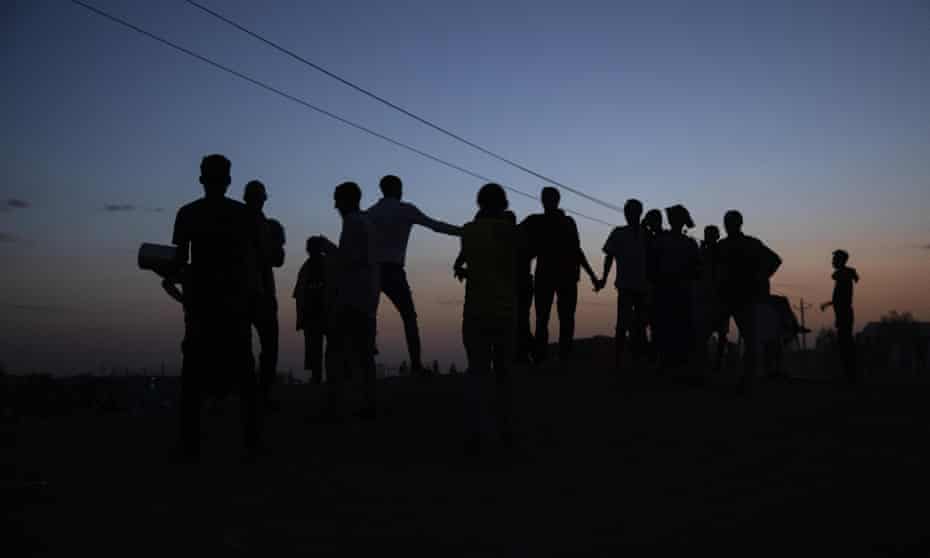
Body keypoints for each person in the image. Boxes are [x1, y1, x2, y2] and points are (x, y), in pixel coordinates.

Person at [172, 154, 260, 459]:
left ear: (201, 179)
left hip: (202, 304)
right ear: (229, 180)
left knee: (193, 373)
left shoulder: (188, 214)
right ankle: (252, 440)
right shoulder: (243, 215)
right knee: (244, 371)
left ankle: (190, 443)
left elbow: (179, 260)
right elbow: (253, 260)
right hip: (235, 302)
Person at [367, 175, 461, 376]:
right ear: (398, 189)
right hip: (393, 271)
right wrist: (463, 232)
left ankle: (366, 364)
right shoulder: (405, 210)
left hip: (372, 270)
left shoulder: (371, 213)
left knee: (369, 316)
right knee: (409, 316)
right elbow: (435, 226)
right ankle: (416, 364)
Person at [456, 183, 517, 451]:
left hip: (475, 310)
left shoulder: (468, 231)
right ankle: (505, 430)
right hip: (504, 310)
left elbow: (470, 262)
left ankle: (477, 431)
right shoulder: (512, 232)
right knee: (504, 373)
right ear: (503, 204)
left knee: (478, 372)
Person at [317, 182, 380, 419]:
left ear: (346, 200)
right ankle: (368, 403)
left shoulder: (353, 223)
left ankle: (335, 404)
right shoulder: (366, 223)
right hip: (366, 297)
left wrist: (327, 248)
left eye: (337, 199)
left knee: (336, 352)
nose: (335, 205)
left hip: (352, 298)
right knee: (363, 354)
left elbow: (349, 260)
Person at [521, 187, 598, 362]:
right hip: (562, 277)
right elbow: (578, 252)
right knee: (561, 320)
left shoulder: (537, 221)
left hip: (551, 277)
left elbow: (577, 251)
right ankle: (559, 358)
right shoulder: (555, 222)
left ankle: (546, 358)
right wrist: (592, 276)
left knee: (547, 319)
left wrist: (592, 276)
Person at [717, 210, 782, 393]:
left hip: (743, 298)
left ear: (738, 224)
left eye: (730, 222)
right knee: (718, 335)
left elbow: (775, 261)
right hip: (728, 297)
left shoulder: (749, 244)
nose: (728, 225)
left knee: (750, 340)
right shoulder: (725, 245)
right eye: (727, 222)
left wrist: (759, 278)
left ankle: (747, 379)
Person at [243, 180, 285, 409]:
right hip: (258, 295)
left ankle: (253, 395)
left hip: (244, 293)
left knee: (247, 348)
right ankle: (260, 395)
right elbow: (278, 259)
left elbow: (277, 259)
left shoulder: (238, 221)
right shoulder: (265, 226)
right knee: (267, 347)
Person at [598, 199, 649, 369]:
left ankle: (635, 359)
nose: (630, 215)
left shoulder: (646, 234)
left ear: (638, 213)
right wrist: (604, 278)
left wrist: (604, 279)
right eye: (628, 212)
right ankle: (620, 359)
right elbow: (609, 256)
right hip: (626, 286)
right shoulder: (619, 233)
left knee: (639, 324)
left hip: (642, 286)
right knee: (623, 324)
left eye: (632, 212)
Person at [653, 204, 700, 373]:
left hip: (679, 290)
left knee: (675, 327)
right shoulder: (667, 241)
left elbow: (696, 269)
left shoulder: (686, 243)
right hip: (668, 289)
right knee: (668, 327)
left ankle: (674, 363)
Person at [820, 249, 859, 383]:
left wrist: (834, 307)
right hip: (844, 313)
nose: (832, 262)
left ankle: (850, 375)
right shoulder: (844, 275)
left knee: (845, 344)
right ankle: (849, 374)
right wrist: (830, 303)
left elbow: (842, 299)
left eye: (835, 259)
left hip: (844, 314)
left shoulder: (843, 276)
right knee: (845, 343)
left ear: (840, 261)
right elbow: (841, 298)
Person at [294, 236, 328, 384]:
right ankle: (317, 377)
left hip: (325, 310)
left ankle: (322, 377)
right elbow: (299, 294)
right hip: (313, 313)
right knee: (315, 348)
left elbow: (299, 294)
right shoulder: (306, 268)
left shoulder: (325, 265)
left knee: (323, 347)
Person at [697, 225, 729, 371]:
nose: (708, 237)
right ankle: (710, 363)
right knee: (707, 334)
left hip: (719, 298)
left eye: (710, 235)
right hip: (708, 299)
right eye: (707, 234)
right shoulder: (704, 252)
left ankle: (717, 362)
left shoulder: (720, 251)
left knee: (720, 333)